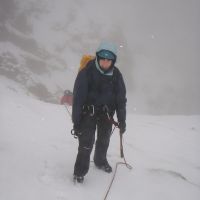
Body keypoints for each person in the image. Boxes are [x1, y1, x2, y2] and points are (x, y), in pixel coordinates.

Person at [72, 41, 127, 183]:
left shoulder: (116, 75)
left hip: (106, 114)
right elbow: (78, 99)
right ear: (98, 57)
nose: (105, 62)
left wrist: (122, 120)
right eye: (102, 58)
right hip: (88, 113)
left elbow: (121, 100)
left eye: (108, 60)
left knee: (104, 140)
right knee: (86, 143)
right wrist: (76, 122)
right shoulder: (87, 71)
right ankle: (79, 172)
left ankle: (100, 161)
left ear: (113, 61)